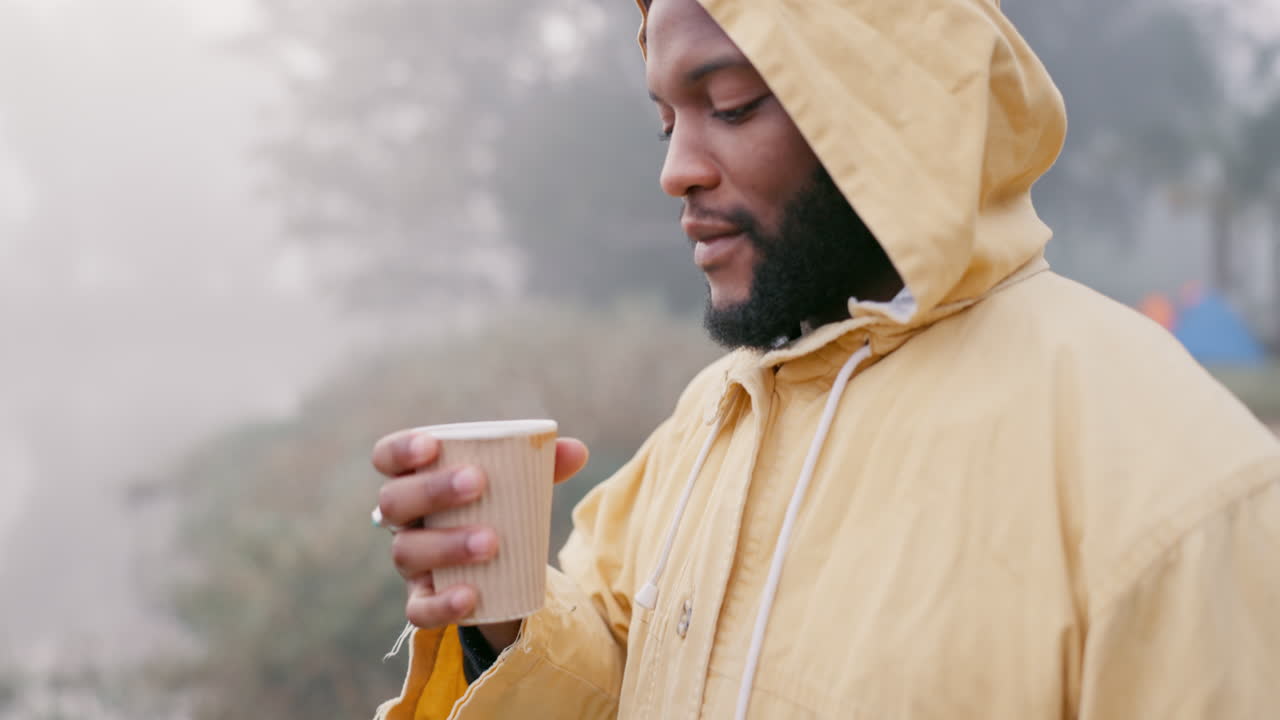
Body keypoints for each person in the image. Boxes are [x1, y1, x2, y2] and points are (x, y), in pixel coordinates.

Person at [372, 0, 1280, 717]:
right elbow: (624, 685)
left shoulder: (1181, 486)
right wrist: (504, 612)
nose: (676, 169)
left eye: (728, 105)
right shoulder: (716, 419)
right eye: (665, 122)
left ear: (885, 104)